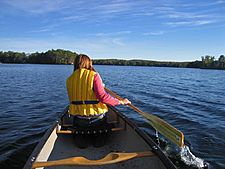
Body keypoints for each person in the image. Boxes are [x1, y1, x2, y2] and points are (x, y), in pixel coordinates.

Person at [66, 54, 131, 148]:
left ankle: (83, 139)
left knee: (82, 145)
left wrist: (100, 86)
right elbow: (103, 97)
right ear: (89, 63)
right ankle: (98, 139)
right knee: (99, 144)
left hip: (79, 120)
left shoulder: (69, 79)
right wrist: (121, 102)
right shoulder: (94, 75)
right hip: (97, 119)